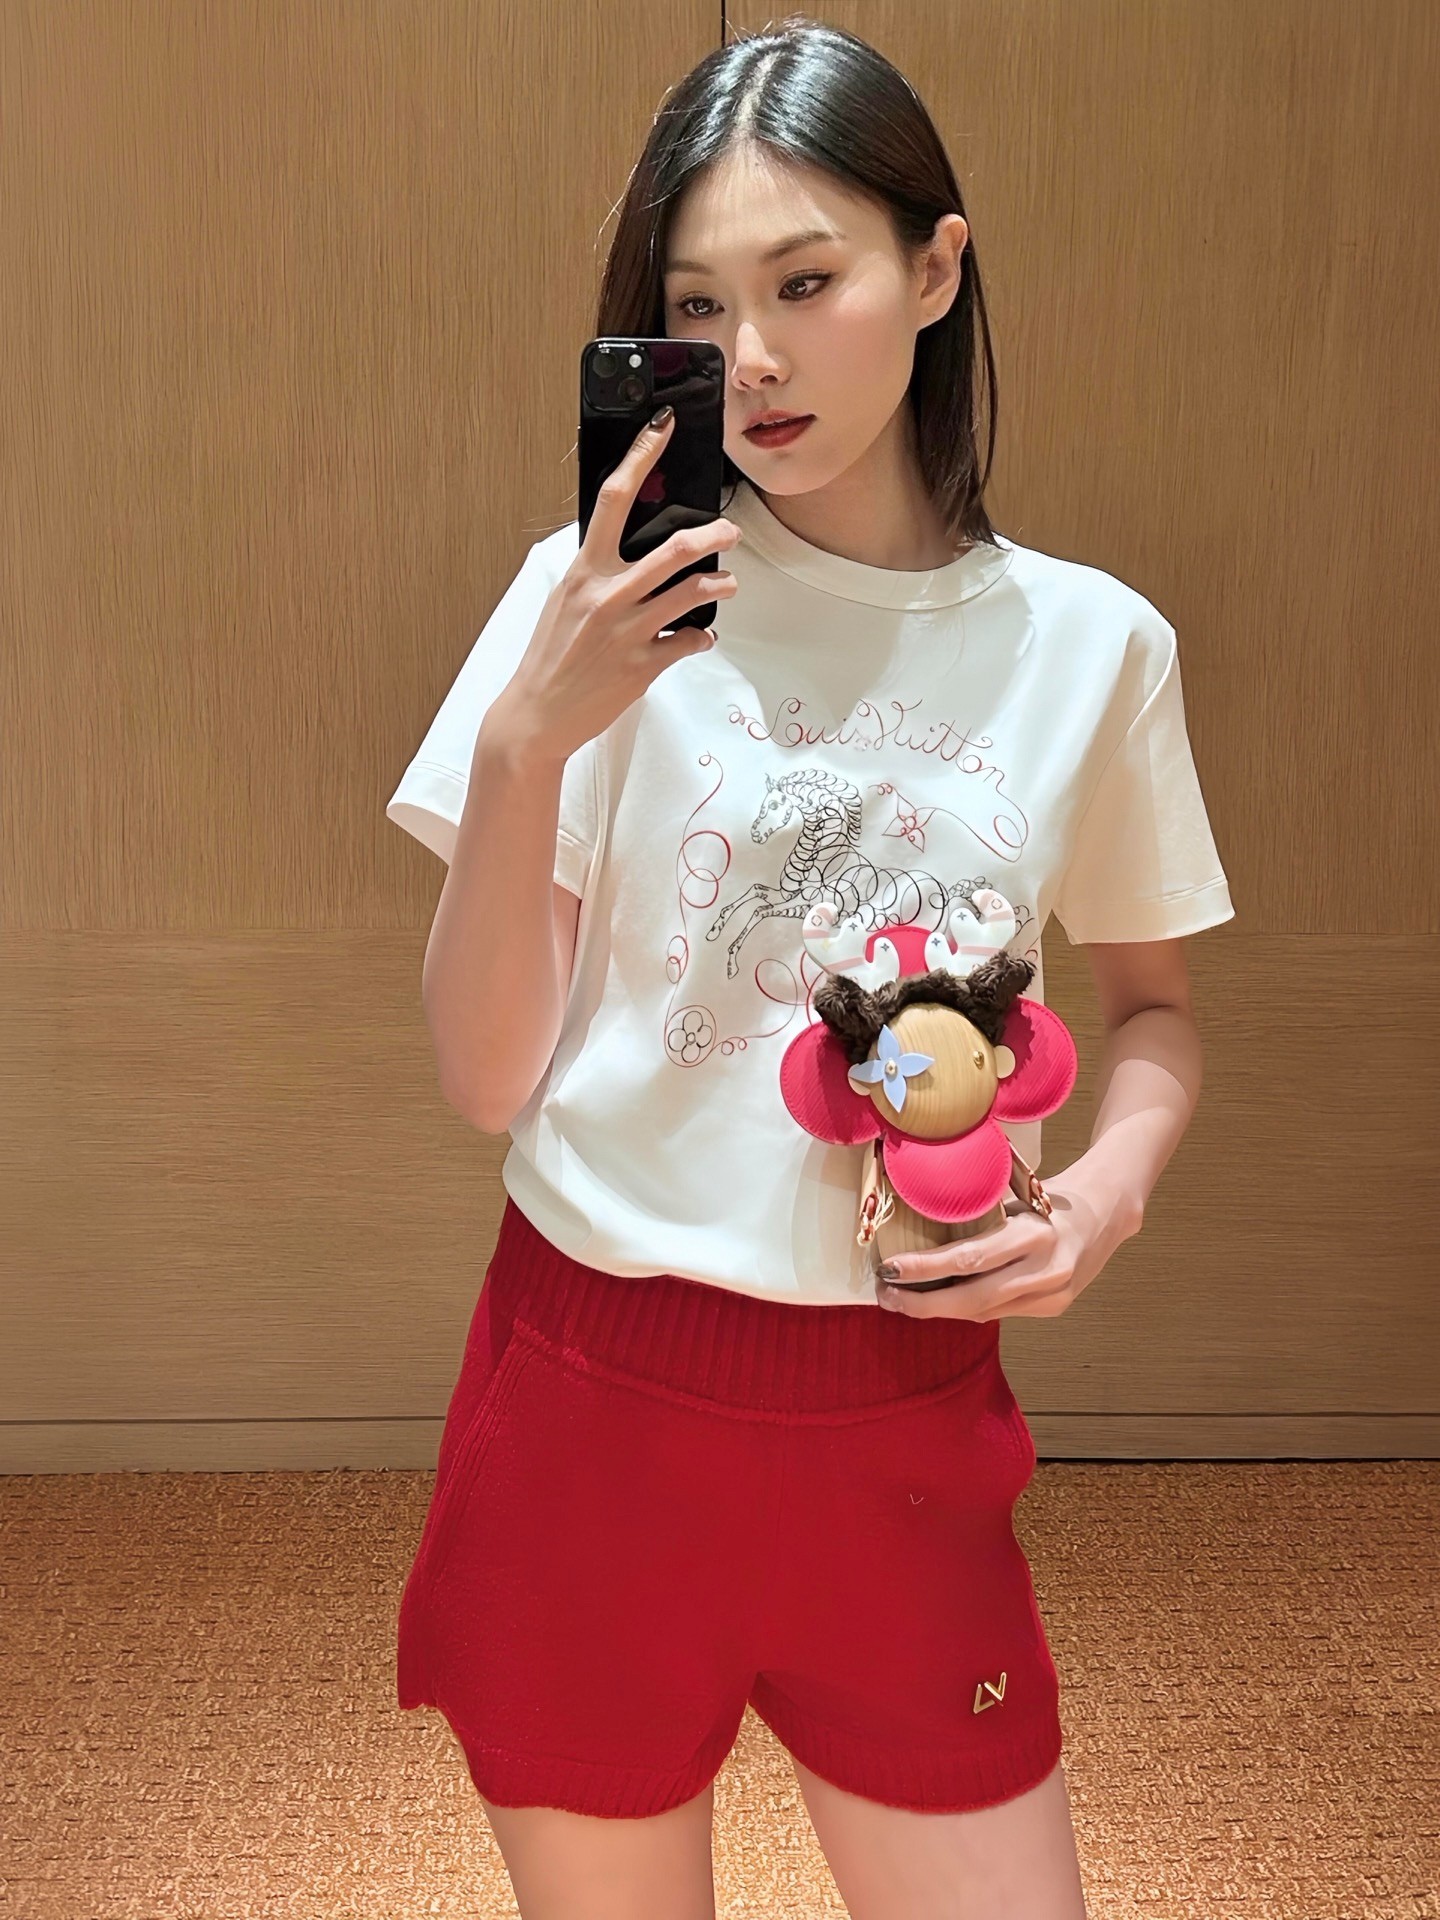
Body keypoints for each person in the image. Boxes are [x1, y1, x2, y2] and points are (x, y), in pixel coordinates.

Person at [385, 20, 1233, 1920]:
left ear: (934, 271)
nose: (751, 355)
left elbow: (1160, 1014)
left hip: (904, 1419)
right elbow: (485, 1076)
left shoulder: (1092, 647)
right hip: (594, 1401)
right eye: (699, 304)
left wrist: (1103, 1198)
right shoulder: (596, 605)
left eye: (804, 282)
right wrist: (528, 743)